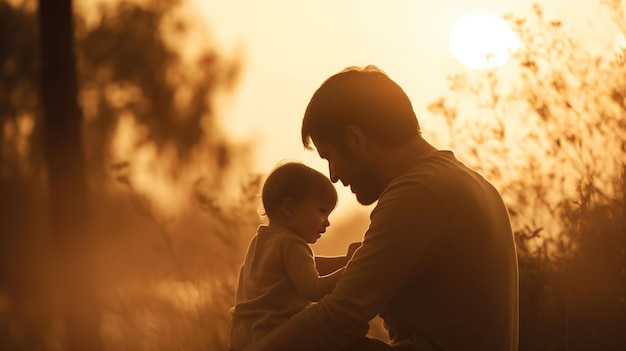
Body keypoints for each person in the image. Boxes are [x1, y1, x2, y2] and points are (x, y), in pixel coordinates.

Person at [245, 66, 519, 351]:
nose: (333, 176)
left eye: (330, 157)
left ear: (356, 140)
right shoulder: (460, 181)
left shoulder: (418, 194)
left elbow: (337, 318)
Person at [228, 161, 362, 351]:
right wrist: (352, 270)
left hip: (243, 336)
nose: (327, 223)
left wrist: (344, 261)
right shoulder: (291, 243)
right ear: (289, 208)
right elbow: (313, 289)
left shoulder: (261, 241)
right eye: (322, 212)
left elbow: (305, 266)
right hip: (272, 336)